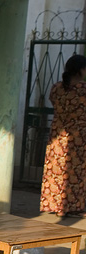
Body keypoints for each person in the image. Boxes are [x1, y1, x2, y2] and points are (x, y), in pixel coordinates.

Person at [40, 54, 86, 217]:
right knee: (76, 173)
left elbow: (54, 102)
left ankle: (54, 205)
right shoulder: (83, 89)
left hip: (57, 136)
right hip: (77, 138)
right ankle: (72, 207)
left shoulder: (56, 88)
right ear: (81, 70)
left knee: (55, 171)